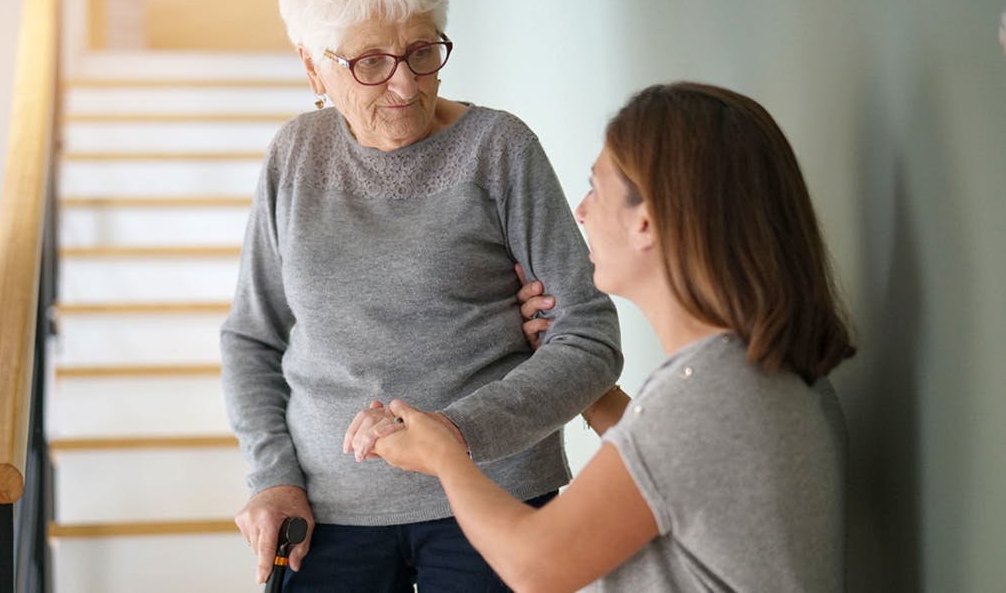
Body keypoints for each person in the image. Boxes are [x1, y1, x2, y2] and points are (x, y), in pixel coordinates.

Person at [359, 82, 855, 591]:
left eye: (596, 188)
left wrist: (443, 453)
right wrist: (588, 387)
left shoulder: (708, 398)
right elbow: (673, 475)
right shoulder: (762, 376)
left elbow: (534, 565)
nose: (581, 210)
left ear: (646, 222)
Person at [220, 0, 623, 589]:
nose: (407, 85)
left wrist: (454, 435)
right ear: (313, 67)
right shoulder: (294, 156)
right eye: (371, 62)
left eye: (422, 52)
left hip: (495, 493)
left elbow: (588, 339)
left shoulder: (499, 148)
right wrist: (272, 476)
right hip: (329, 512)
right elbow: (252, 338)